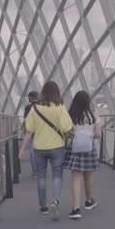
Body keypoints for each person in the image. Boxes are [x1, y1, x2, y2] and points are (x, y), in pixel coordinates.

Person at [19, 81, 73, 221]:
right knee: (56, 175)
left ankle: (43, 207)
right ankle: (54, 202)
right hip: (57, 147)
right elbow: (67, 129)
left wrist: (22, 149)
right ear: (57, 92)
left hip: (39, 147)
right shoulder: (60, 107)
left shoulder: (35, 108)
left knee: (41, 176)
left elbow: (29, 131)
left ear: (43, 92)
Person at [62, 91, 101, 220]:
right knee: (88, 177)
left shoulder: (71, 115)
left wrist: (74, 133)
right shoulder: (94, 115)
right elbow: (98, 134)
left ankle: (76, 208)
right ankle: (89, 201)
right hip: (89, 149)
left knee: (76, 178)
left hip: (76, 149)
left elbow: (67, 134)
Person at [23, 91, 39, 177]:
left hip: (31, 132)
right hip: (41, 132)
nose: (28, 98)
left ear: (31, 97)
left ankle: (35, 172)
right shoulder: (42, 106)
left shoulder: (28, 108)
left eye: (29, 97)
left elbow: (25, 120)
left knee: (32, 152)